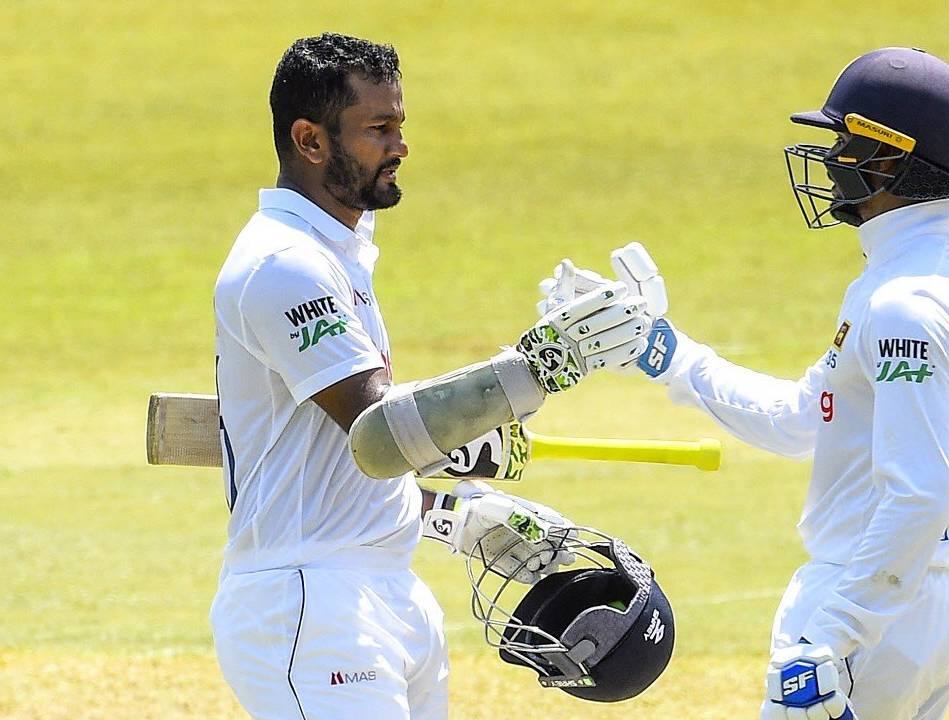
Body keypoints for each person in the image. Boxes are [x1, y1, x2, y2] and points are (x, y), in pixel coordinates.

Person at [542, 47, 949, 720]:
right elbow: (802, 420)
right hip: (925, 605)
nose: (829, 156)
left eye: (844, 140)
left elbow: (920, 492)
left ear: (890, 160)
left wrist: (835, 632)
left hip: (868, 605)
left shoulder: (905, 304)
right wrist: (664, 353)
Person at [209, 33, 654, 720]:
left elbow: (343, 465)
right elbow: (379, 438)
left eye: (400, 125)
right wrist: (538, 368)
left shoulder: (339, 255)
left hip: (381, 588)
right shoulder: (283, 265)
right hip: (310, 602)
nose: (399, 145)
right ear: (311, 140)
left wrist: (456, 514)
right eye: (377, 128)